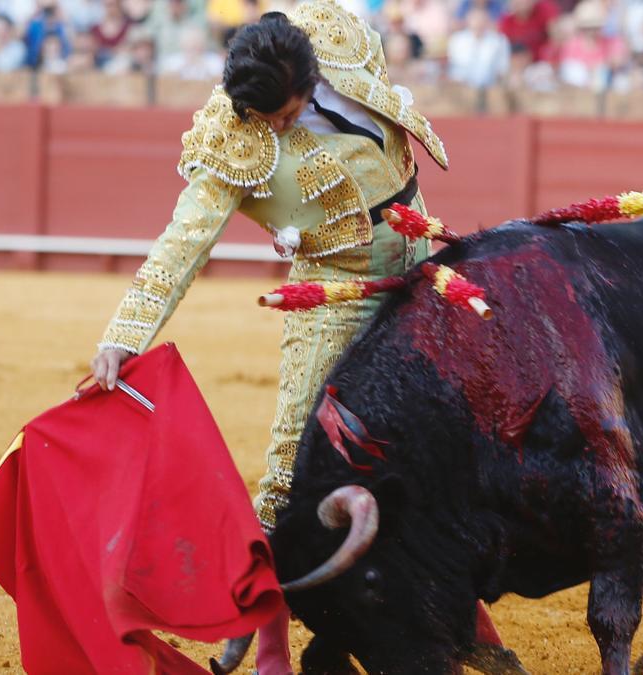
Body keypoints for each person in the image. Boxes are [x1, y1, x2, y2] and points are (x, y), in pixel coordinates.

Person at [88, 2, 523, 673]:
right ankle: (259, 630)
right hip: (333, 290)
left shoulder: (340, 34)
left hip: (418, 270)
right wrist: (124, 333)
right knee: (293, 465)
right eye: (268, 123)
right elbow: (183, 243)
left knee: (445, 444)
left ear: (311, 77)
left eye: (286, 116)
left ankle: (469, 620)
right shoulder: (230, 132)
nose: (277, 128)